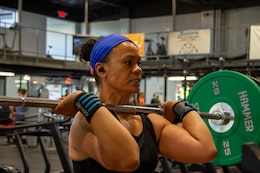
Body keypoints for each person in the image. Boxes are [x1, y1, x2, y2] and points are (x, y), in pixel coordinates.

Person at [52, 33, 217, 173]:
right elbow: (128, 160)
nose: (139, 69)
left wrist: (182, 108)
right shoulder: (85, 123)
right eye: (128, 62)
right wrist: (84, 99)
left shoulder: (151, 122)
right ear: (102, 70)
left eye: (139, 63)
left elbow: (205, 149)